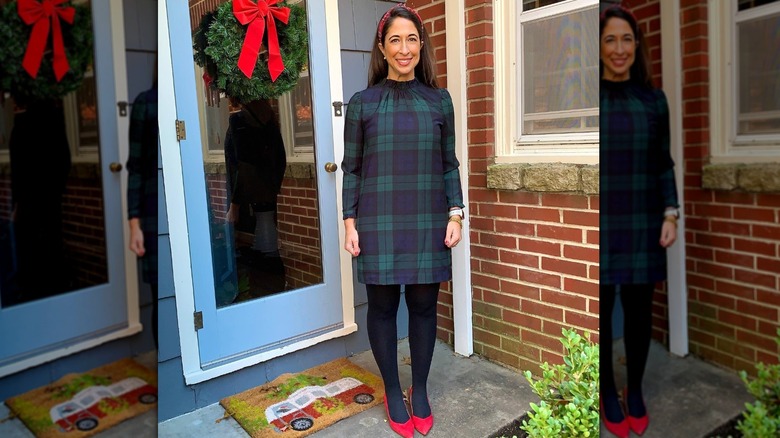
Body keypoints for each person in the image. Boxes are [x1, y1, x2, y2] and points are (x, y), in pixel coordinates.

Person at [341, 3, 464, 437]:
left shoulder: (440, 100)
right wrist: (349, 221)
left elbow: (450, 164)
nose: (404, 47)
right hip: (377, 220)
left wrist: (456, 212)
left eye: (412, 38)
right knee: (382, 307)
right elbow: (351, 168)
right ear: (382, 46)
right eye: (395, 39)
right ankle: (394, 390)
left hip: (429, 217)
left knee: (425, 305)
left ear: (421, 44)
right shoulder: (362, 104)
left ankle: (422, 389)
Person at [599, 5, 679, 438]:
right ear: (598, 45)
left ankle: (635, 389)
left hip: (643, 216)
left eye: (626, 39)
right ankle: (607, 389)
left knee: (638, 310)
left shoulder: (653, 100)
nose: (619, 48)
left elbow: (663, 163)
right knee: (601, 307)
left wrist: (671, 211)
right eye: (610, 39)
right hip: (602, 218)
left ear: (637, 45)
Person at [224, 98, 287, 294]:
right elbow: (281, 158)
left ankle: (266, 288)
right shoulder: (270, 120)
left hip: (246, 188)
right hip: (266, 187)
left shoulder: (239, 121)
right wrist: (273, 184)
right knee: (266, 225)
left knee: (262, 232)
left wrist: (234, 203)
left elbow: (241, 163)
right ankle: (272, 287)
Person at [127, 82, 159, 348]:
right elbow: (135, 167)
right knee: (160, 297)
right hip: (151, 212)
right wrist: (133, 224)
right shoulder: (146, 102)